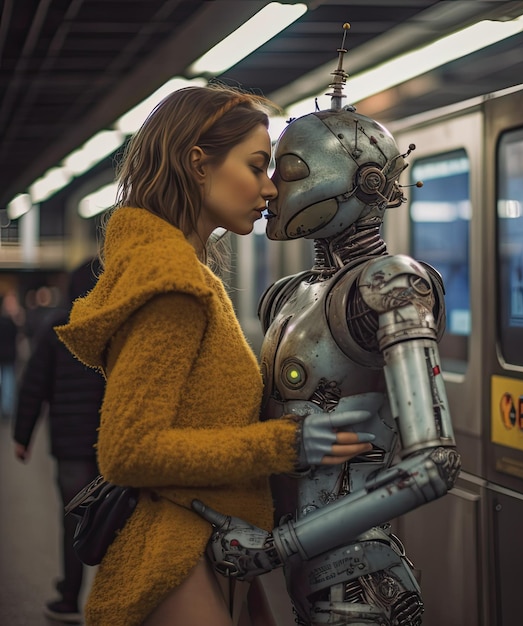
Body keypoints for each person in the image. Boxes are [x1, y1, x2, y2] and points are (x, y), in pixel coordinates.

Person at [54, 84, 375, 626]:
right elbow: (128, 452)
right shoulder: (173, 283)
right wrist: (284, 443)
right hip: (176, 555)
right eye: (256, 167)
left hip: (206, 545)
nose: (271, 189)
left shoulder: (183, 270)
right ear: (198, 165)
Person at [192, 34, 461, 625]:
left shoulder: (391, 286)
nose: (272, 191)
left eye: (287, 170)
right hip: (301, 572)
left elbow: (434, 463)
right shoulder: (289, 295)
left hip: (359, 576)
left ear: (362, 181)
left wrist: (276, 545)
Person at [13, 258, 104, 624]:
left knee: (75, 521)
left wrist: (23, 436)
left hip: (70, 446)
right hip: (112, 442)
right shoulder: (115, 326)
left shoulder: (57, 328)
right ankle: (118, 598)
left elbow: (33, 385)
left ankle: (69, 598)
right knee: (122, 518)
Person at [0, 296, 18, 421]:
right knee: (8, 382)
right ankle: (6, 408)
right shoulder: (12, 322)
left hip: (5, 356)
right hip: (9, 356)